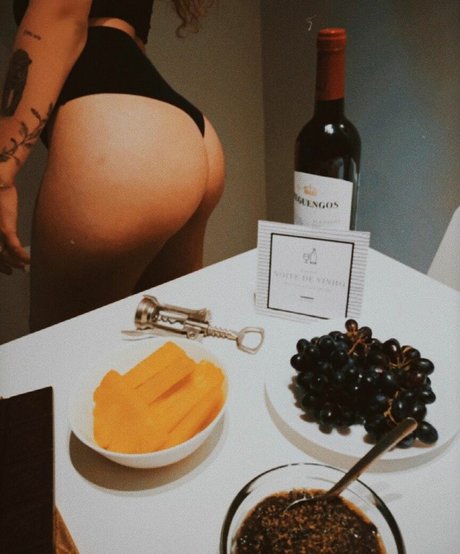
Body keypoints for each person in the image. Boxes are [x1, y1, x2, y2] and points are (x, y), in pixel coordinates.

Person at [0, 0, 224, 332]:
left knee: (61, 353)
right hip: (185, 135)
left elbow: (61, 14)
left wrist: (2, 172)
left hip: (119, 138)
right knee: (163, 349)